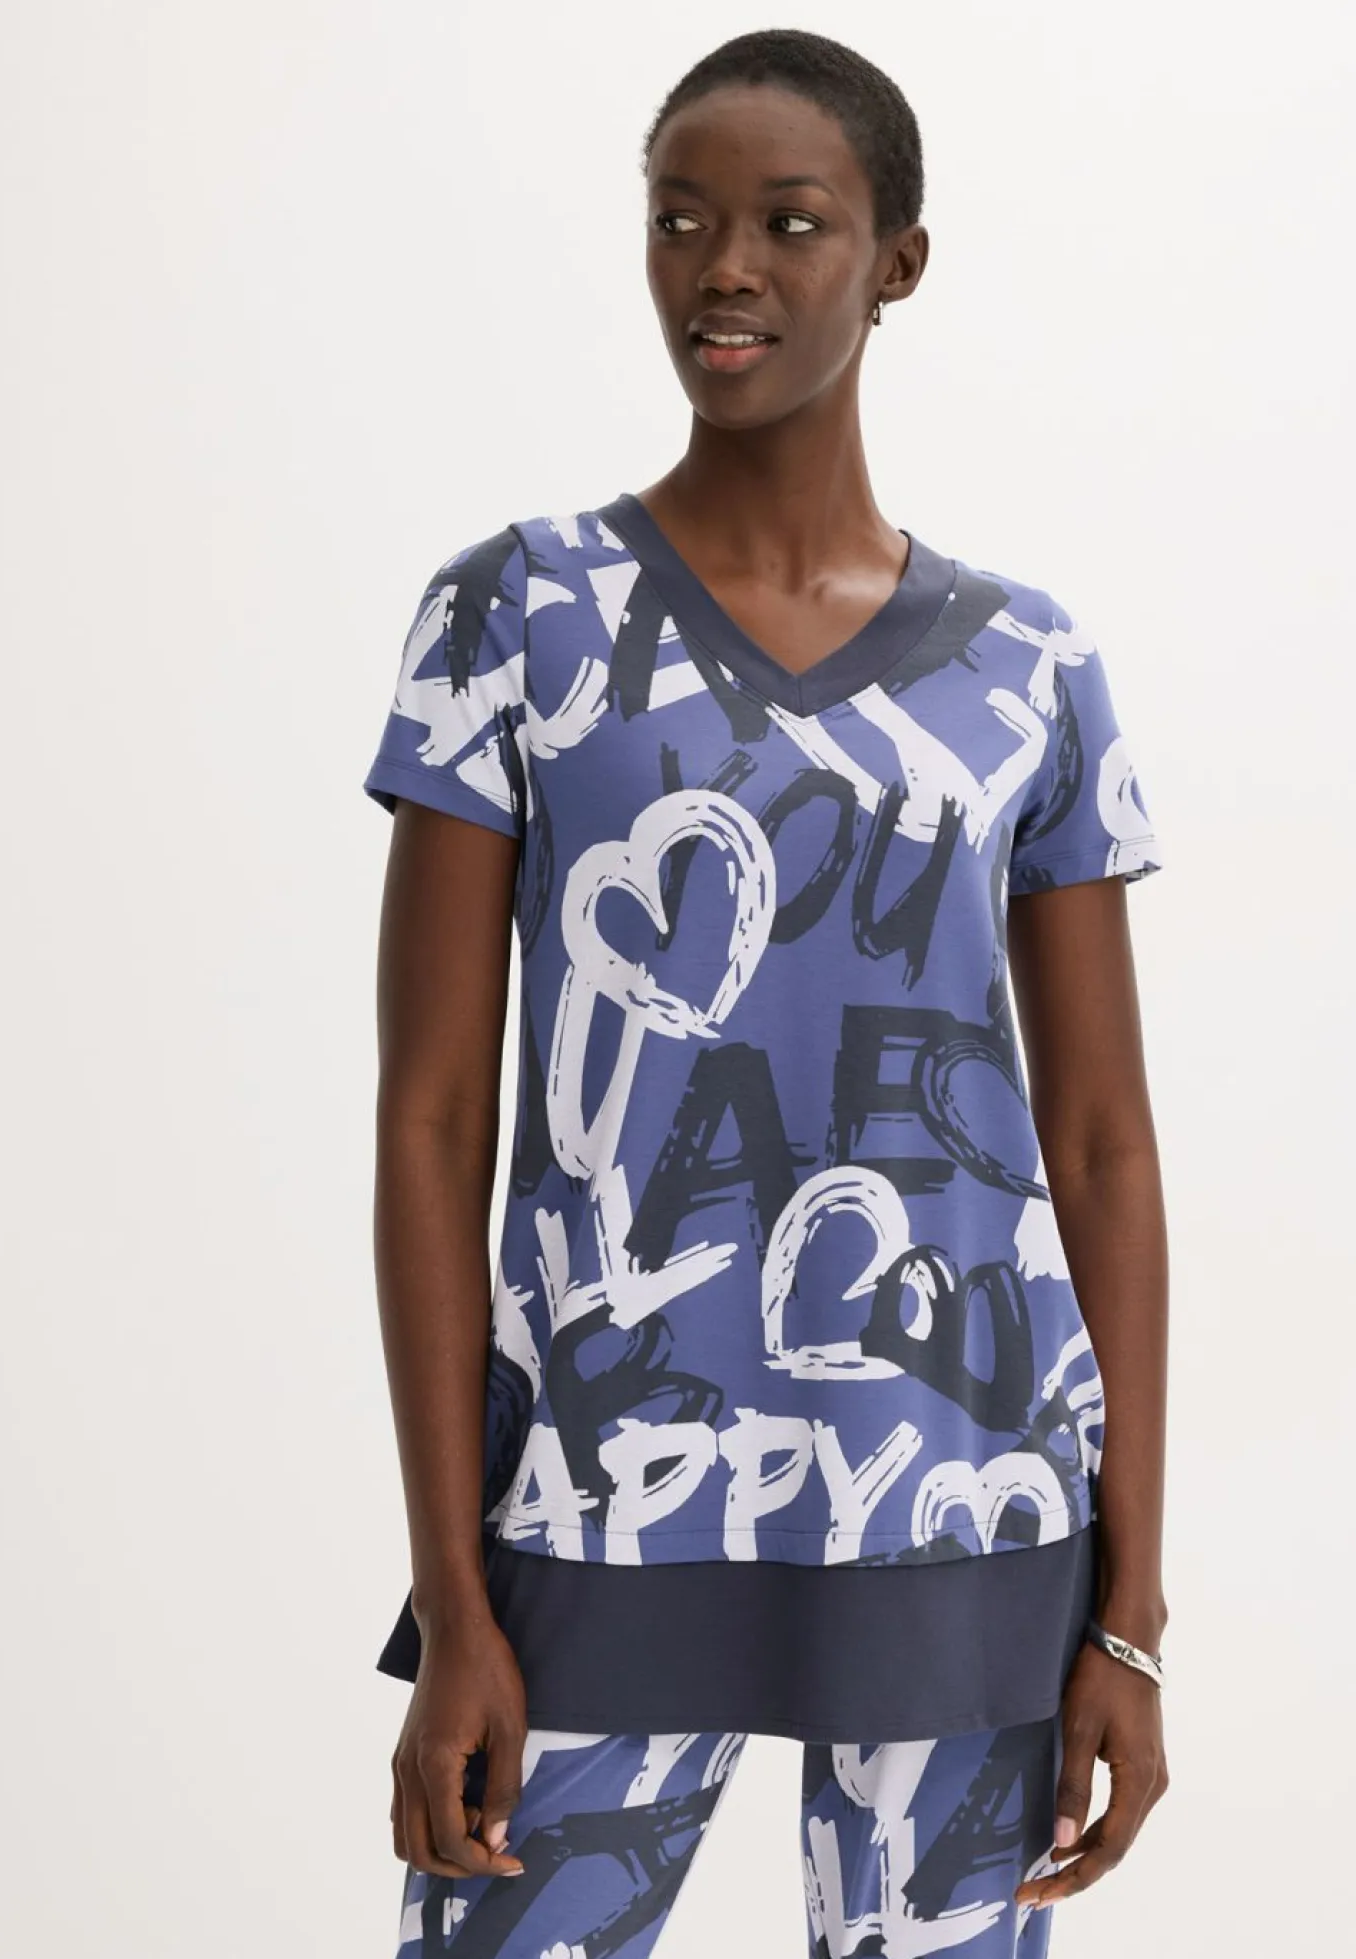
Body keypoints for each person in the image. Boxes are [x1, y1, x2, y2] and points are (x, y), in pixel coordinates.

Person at [362, 28, 1170, 1958]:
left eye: (791, 224)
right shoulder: (516, 616)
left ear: (898, 260)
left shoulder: (1029, 666)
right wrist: (455, 1597)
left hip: (961, 1514)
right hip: (594, 1512)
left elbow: (1101, 1145)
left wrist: (1131, 1613)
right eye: (682, 222)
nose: (724, 268)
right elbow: (432, 1122)